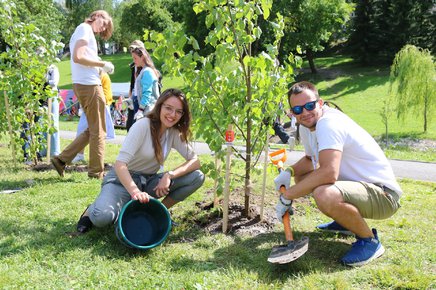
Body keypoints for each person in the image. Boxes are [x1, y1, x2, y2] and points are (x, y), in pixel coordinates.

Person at [274, 81, 402, 266]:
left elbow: (328, 173)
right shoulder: (307, 126)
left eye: (310, 105)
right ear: (292, 113)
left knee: (324, 193)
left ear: (320, 102)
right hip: (361, 188)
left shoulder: (329, 124)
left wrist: (288, 196)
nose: (305, 112)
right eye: (298, 109)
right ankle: (346, 221)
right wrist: (289, 171)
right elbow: (311, 160)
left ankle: (369, 242)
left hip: (384, 195)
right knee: (303, 178)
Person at [76, 88, 205, 233]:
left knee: (197, 176)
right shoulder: (142, 126)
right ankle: (91, 210)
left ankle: (157, 212)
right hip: (122, 181)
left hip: (149, 182)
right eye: (168, 108)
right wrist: (135, 193)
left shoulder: (173, 132)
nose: (172, 115)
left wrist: (169, 175)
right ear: (159, 106)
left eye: (178, 111)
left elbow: (195, 161)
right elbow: (120, 164)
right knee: (102, 217)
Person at [51, 10, 114, 179]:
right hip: (90, 85)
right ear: (97, 16)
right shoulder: (85, 29)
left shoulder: (83, 31)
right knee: (99, 131)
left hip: (85, 84)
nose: (103, 29)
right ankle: (96, 173)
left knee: (94, 128)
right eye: (104, 23)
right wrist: (102, 63)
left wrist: (98, 67)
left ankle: (61, 160)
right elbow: (78, 57)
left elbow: (81, 57)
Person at [72, 68, 115, 163]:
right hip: (89, 108)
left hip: (100, 108)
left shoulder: (103, 77)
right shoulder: (91, 77)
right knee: (82, 131)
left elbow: (106, 95)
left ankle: (96, 160)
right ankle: (79, 155)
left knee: (98, 134)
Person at [130, 46, 161, 122]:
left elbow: (147, 92)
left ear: (142, 57)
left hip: (149, 109)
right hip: (146, 108)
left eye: (135, 58)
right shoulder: (143, 71)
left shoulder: (147, 71)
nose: (134, 61)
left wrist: (140, 109)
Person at [125, 40, 145, 132]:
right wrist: (130, 97)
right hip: (133, 98)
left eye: (135, 48)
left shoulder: (146, 67)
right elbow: (132, 83)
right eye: (132, 49)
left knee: (138, 128)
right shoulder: (133, 66)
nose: (133, 50)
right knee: (129, 126)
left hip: (142, 100)